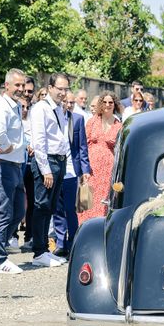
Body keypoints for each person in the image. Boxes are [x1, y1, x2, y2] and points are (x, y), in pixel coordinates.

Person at [0, 68, 27, 274]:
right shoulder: (1, 105)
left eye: (23, 85)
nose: (21, 89)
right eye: (17, 85)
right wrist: (7, 146)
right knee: (5, 212)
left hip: (14, 164)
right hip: (2, 163)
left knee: (19, 211)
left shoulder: (15, 106)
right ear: (7, 85)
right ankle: (0, 258)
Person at [29, 72, 71, 268]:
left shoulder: (59, 108)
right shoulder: (41, 108)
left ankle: (45, 249)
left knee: (51, 207)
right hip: (48, 162)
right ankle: (39, 251)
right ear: (50, 88)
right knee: (42, 206)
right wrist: (45, 170)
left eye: (65, 89)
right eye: (59, 89)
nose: (63, 93)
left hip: (59, 161)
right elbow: (39, 141)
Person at [52, 92, 91, 257]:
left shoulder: (78, 119)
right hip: (55, 170)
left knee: (71, 209)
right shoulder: (53, 117)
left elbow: (82, 147)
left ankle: (73, 241)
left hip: (71, 170)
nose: (69, 105)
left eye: (72, 103)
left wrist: (85, 170)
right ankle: (60, 243)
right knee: (57, 209)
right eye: (66, 102)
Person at [79, 92, 122, 224]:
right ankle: (82, 231)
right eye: (105, 102)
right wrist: (83, 167)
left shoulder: (119, 125)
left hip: (107, 170)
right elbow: (83, 145)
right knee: (85, 201)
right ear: (100, 104)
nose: (107, 105)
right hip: (90, 168)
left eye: (111, 102)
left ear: (114, 105)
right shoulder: (92, 121)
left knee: (102, 203)